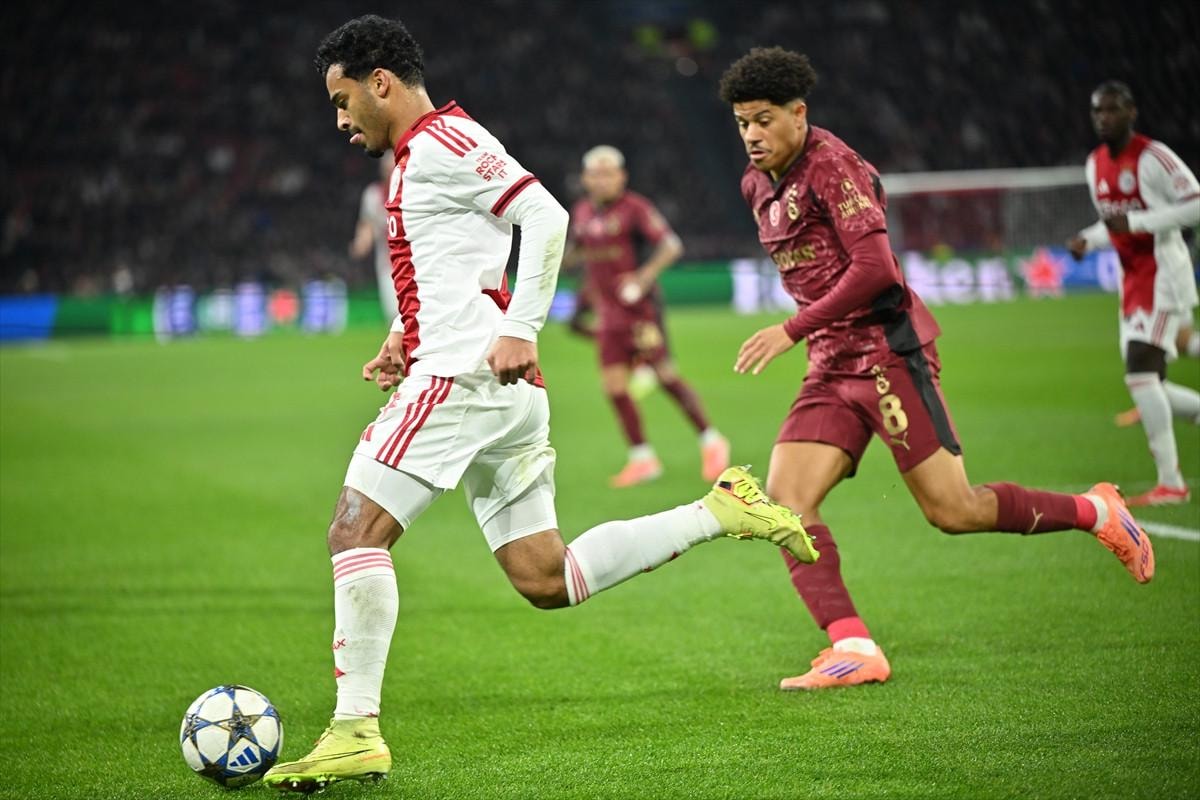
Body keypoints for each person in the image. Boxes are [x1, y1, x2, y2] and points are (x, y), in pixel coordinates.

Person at [264, 18, 818, 793]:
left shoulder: (442, 143)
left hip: (461, 379)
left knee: (354, 533)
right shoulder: (427, 154)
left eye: (342, 99)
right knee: (545, 577)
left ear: (379, 82)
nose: (340, 119)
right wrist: (401, 334)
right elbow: (464, 261)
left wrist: (520, 328)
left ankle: (354, 731)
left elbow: (546, 216)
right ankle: (718, 510)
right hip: (492, 386)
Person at [717, 47, 1156, 692]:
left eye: (763, 120)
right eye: (741, 124)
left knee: (954, 510)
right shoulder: (756, 185)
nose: (752, 135)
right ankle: (853, 646)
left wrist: (791, 328)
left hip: (888, 354)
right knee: (786, 505)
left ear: (798, 113)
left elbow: (876, 270)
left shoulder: (832, 168)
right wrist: (810, 335)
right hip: (829, 366)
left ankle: (1097, 512)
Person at [1066, 80, 1200, 506]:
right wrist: (1088, 240)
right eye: (1097, 111)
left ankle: (1171, 484)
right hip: (1132, 283)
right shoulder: (1094, 165)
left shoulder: (1153, 157)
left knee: (1140, 372)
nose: (1104, 117)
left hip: (1162, 277)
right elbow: (1113, 223)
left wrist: (1140, 223)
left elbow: (1196, 204)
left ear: (1131, 112)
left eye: (1112, 109)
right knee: (1149, 383)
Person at [566, 145, 730, 487]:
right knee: (614, 388)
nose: (601, 180)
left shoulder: (635, 208)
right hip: (608, 315)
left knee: (666, 377)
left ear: (622, 177)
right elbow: (578, 254)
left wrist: (643, 278)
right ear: (585, 178)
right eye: (595, 174)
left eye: (608, 173)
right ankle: (643, 458)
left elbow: (671, 246)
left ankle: (712, 440)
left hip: (640, 313)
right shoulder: (581, 213)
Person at [348, 151, 398, 321]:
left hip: (416, 261)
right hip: (388, 264)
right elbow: (367, 225)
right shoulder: (373, 195)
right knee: (394, 315)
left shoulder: (412, 193)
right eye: (387, 169)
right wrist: (361, 244)